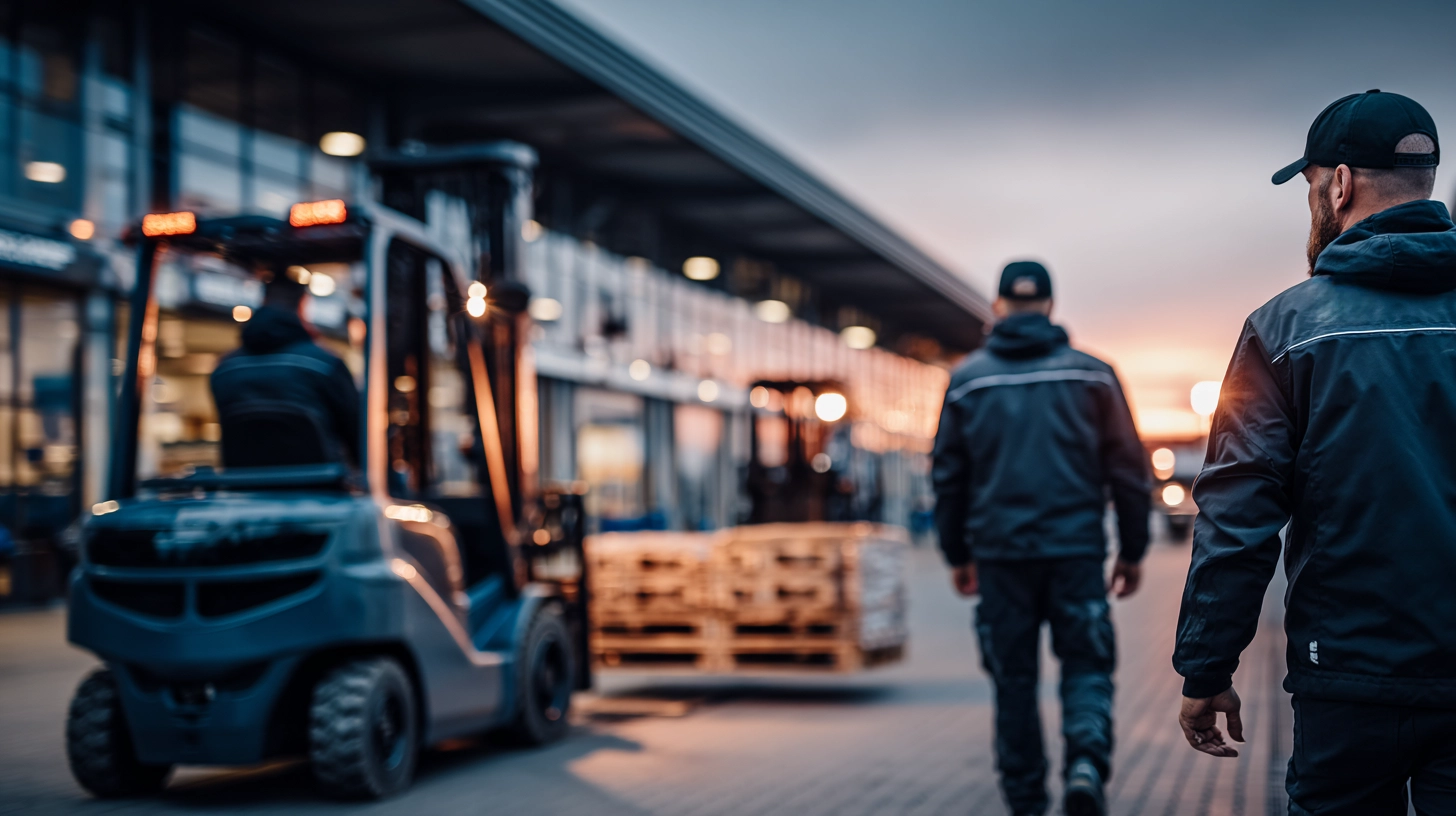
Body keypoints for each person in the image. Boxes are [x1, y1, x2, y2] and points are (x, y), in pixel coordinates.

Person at [1172, 90, 1456, 815]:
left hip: (1349, 678)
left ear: (1339, 184)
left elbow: (1237, 516)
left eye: (1309, 189)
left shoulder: (1285, 329)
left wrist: (1206, 666)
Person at [933, 261, 1151, 816]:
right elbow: (1128, 469)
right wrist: (1132, 549)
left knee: (1013, 681)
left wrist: (956, 553)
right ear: (1051, 306)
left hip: (1000, 557)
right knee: (1086, 663)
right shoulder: (1095, 375)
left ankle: (1026, 800)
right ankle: (1084, 763)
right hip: (1076, 552)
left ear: (998, 306)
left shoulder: (968, 381)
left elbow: (948, 478)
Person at [210, 267, 360, 467]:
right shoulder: (326, 365)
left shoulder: (224, 370)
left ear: (263, 303)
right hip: (320, 490)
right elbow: (358, 438)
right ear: (303, 306)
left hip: (244, 489)